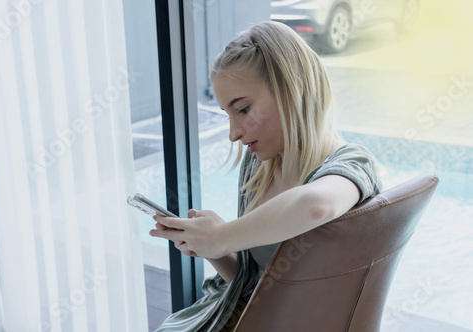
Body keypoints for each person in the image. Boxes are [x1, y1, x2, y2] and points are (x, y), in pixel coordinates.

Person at [149, 21, 382, 331]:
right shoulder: (259, 167)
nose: (233, 133)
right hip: (238, 313)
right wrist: (213, 251)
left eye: (243, 109)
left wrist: (221, 235)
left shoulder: (353, 164)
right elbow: (254, 286)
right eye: (227, 114)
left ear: (293, 90)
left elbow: (316, 206)